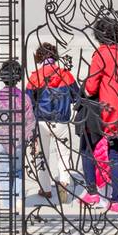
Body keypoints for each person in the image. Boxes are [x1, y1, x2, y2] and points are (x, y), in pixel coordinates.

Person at [81, 17, 118, 213]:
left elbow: (91, 86)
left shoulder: (101, 54)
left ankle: (92, 192)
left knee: (87, 148)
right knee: (116, 154)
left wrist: (87, 91)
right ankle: (115, 199)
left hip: (104, 111)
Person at [27, 42, 78, 204]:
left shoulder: (36, 76)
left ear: (40, 57)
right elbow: (77, 96)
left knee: (42, 155)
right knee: (64, 154)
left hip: (41, 121)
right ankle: (63, 182)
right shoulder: (66, 75)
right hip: (61, 121)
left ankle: (45, 188)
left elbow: (28, 102)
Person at [0, 59, 33, 187]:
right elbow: (29, 121)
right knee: (18, 171)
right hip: (18, 140)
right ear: (18, 77)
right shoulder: (24, 97)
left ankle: (7, 203)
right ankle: (17, 199)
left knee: (3, 172)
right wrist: (32, 139)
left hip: (1, 138)